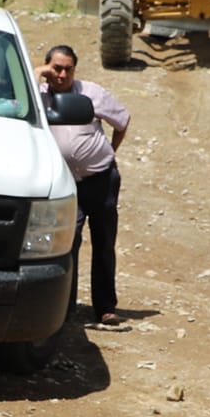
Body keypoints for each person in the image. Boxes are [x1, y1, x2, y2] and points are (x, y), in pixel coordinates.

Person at [40, 43, 132, 325]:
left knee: (104, 242)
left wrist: (108, 152)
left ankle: (105, 308)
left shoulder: (91, 93)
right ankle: (63, 307)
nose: (62, 74)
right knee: (66, 243)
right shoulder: (38, 96)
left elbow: (122, 121)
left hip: (101, 179)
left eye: (68, 68)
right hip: (65, 184)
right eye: (56, 68)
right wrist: (37, 72)